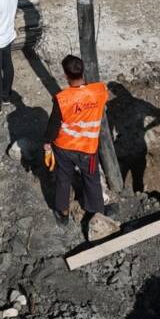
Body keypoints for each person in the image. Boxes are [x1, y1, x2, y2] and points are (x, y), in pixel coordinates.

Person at [42, 55, 110, 227]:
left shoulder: (62, 98)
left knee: (63, 178)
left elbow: (53, 125)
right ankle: (96, 211)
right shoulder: (100, 91)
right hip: (88, 148)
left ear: (65, 75)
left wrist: (47, 143)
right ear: (83, 71)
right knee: (91, 179)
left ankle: (63, 212)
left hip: (64, 146)